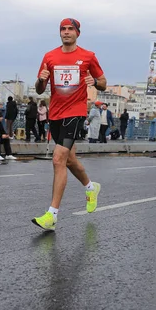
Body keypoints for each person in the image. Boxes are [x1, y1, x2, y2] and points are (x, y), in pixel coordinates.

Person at [32, 17, 107, 231]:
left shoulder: (88, 56)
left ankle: (52, 215)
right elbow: (39, 89)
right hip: (55, 114)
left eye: (70, 29)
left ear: (77, 33)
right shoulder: (50, 56)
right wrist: (41, 79)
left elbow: (103, 82)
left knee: (58, 159)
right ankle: (91, 188)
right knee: (70, 160)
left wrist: (94, 82)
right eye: (63, 29)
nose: (66, 32)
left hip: (75, 114)